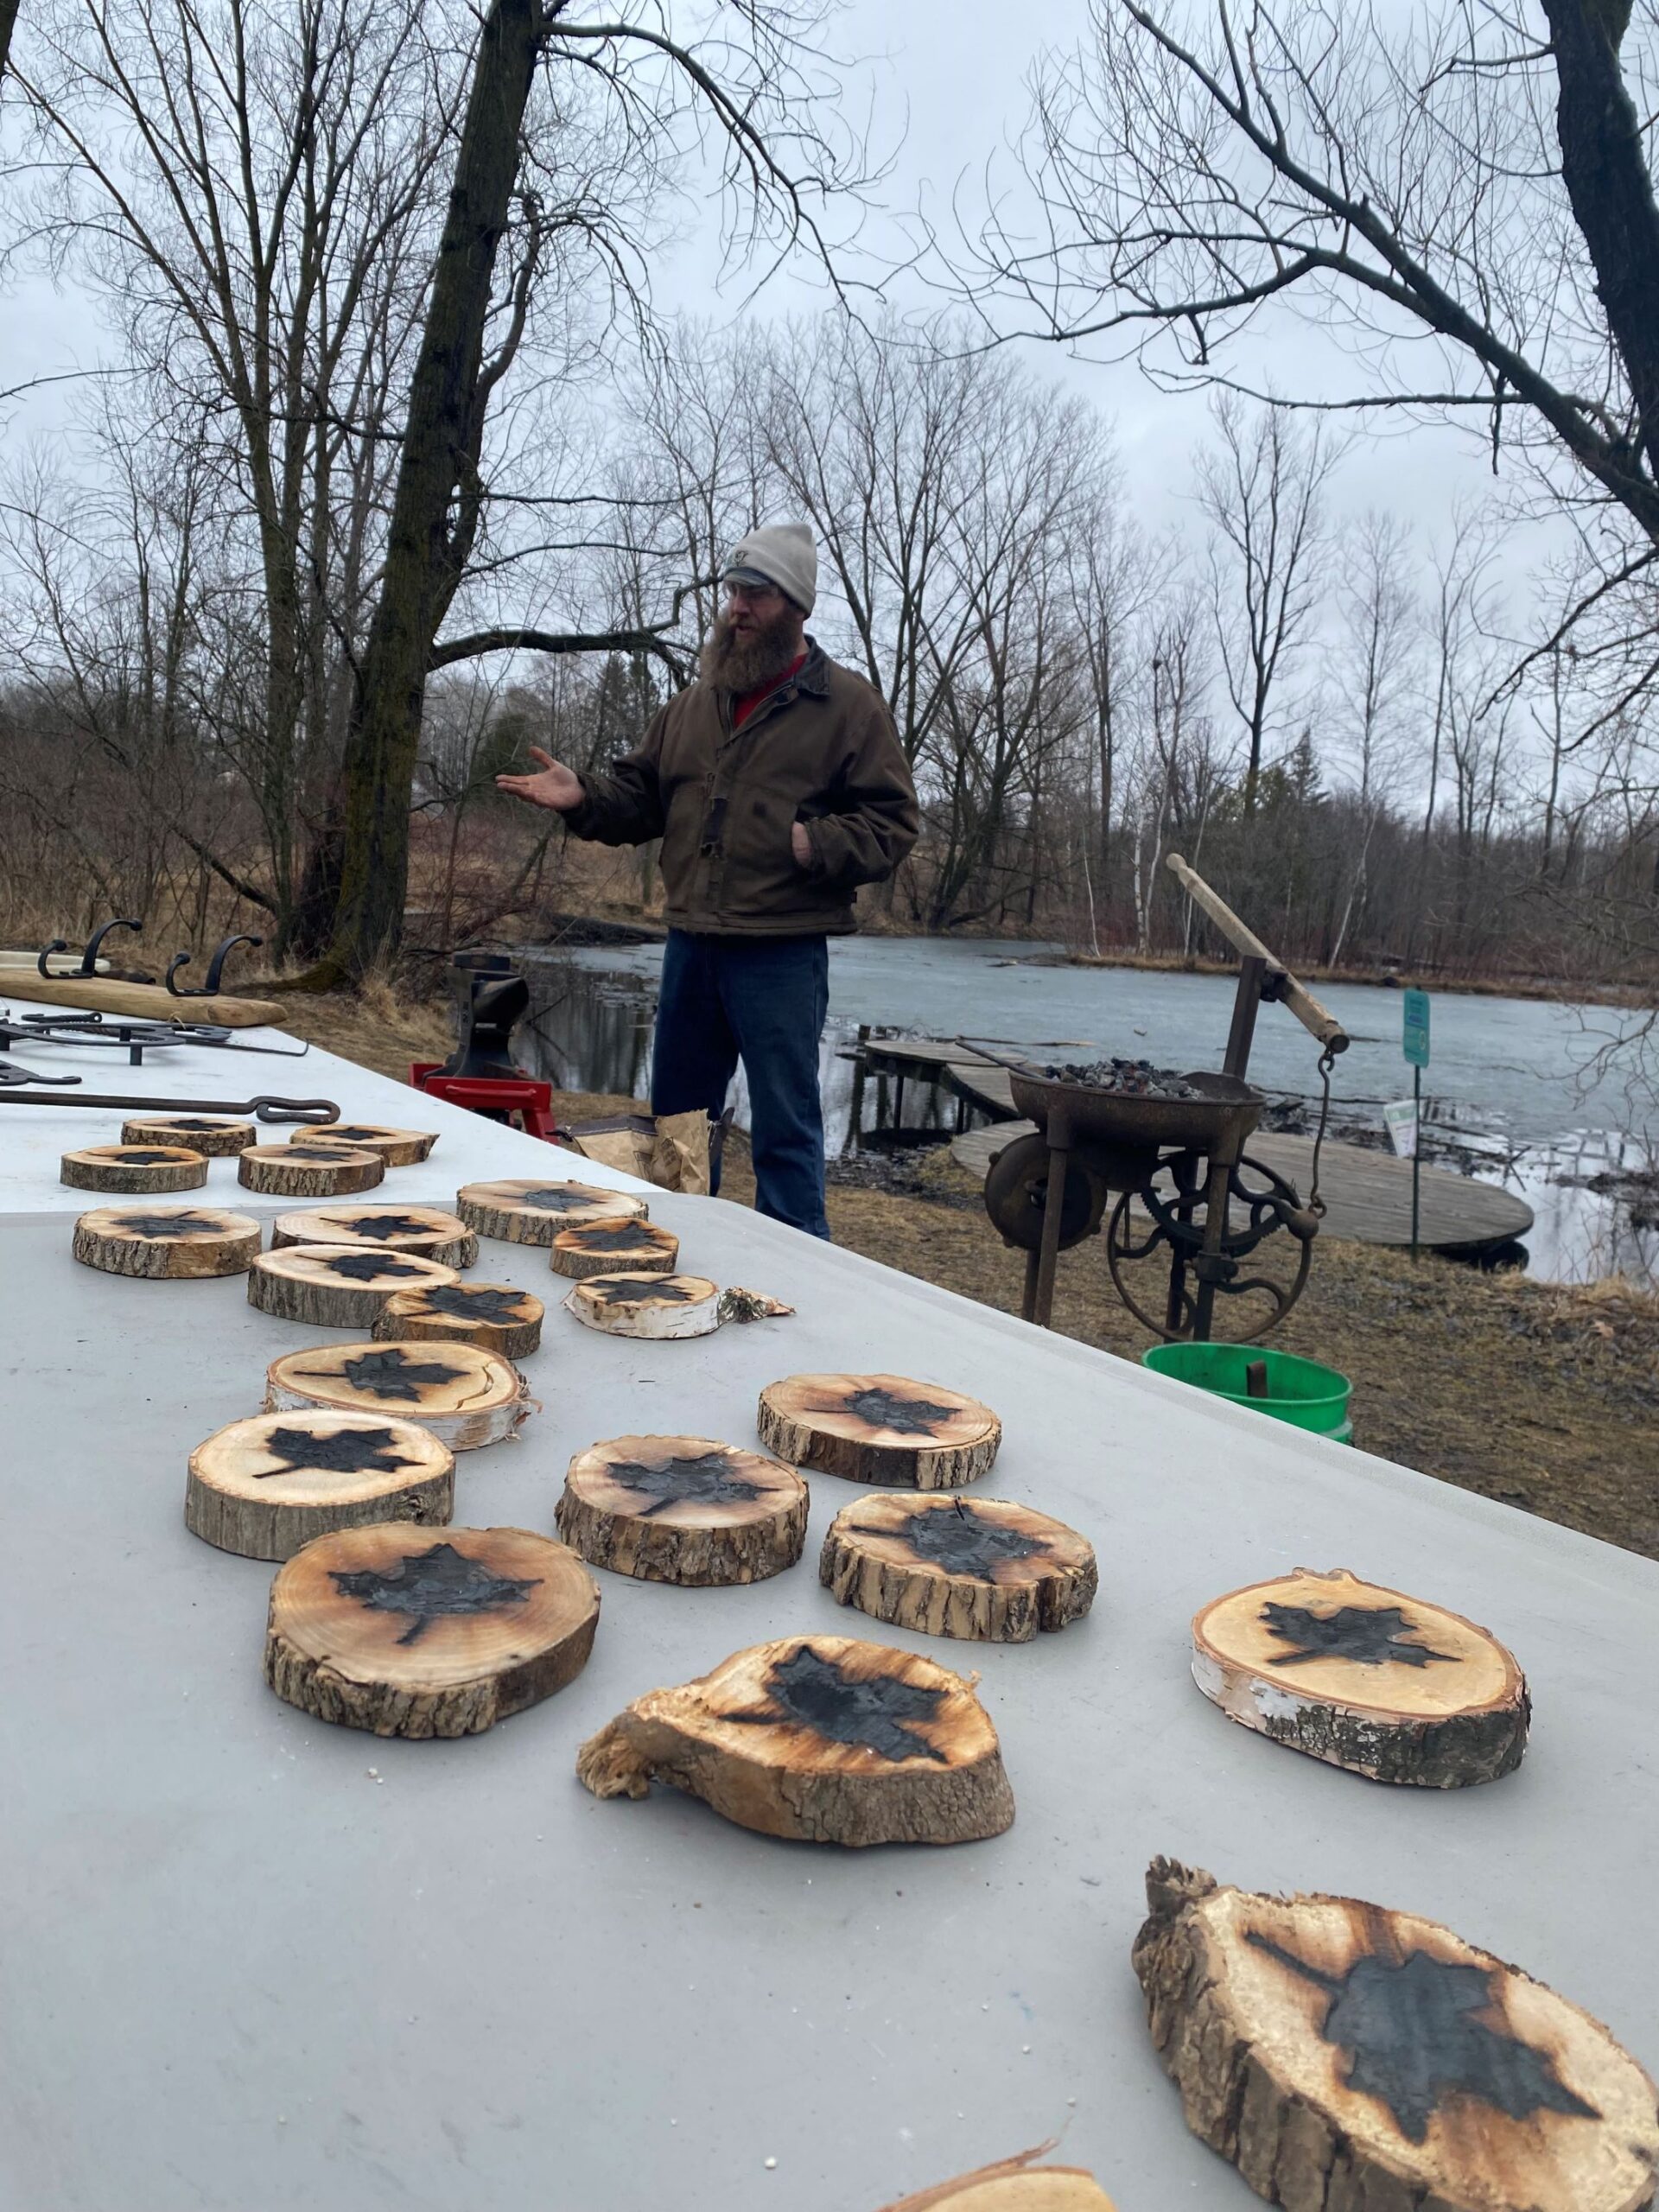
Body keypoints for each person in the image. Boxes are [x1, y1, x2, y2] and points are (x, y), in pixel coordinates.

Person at [496, 523, 919, 1237]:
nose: (737, 608)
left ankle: (799, 1275)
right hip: (692, 945)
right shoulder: (694, 706)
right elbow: (641, 799)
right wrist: (584, 797)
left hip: (781, 951)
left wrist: (816, 843)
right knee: (679, 1125)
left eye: (755, 593)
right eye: (733, 592)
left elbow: (895, 823)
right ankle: (676, 1249)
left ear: (795, 607)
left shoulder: (848, 708)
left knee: (786, 1126)